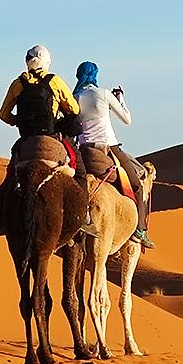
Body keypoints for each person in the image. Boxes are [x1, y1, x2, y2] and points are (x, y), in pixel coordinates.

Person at [0, 45, 81, 237]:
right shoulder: (55, 81)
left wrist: (17, 121)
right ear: (47, 62)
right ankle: (84, 218)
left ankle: (4, 219)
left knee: (11, 176)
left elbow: (3, 114)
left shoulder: (18, 83)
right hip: (52, 137)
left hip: (25, 140)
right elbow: (73, 109)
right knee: (79, 170)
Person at [70, 61, 155, 248]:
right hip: (109, 148)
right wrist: (121, 98)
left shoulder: (75, 96)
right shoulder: (104, 94)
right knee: (137, 185)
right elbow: (127, 119)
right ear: (95, 75)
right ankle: (139, 230)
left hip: (84, 151)